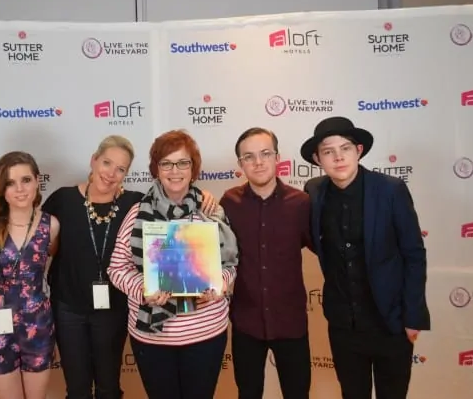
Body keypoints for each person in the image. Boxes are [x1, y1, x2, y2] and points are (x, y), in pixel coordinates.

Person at [42, 135, 218, 399]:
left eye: (121, 168)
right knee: (77, 389)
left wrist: (203, 194)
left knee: (109, 387)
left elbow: (222, 258)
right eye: (106, 163)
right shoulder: (63, 199)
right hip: (70, 306)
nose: (111, 173)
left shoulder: (135, 204)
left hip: (114, 309)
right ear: (93, 160)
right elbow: (43, 244)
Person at [301, 116, 430, 399]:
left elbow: (414, 254)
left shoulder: (390, 190)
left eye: (345, 148)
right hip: (344, 325)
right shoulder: (313, 191)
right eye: (328, 151)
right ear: (317, 158)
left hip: (391, 322)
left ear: (358, 150)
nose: (338, 157)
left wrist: (413, 315)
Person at [108, 129, 238, 399]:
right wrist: (144, 288)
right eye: (166, 163)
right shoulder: (137, 213)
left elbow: (230, 264)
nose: (174, 170)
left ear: (193, 168)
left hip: (206, 334)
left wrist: (219, 285)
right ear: (156, 169)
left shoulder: (210, 210)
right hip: (154, 339)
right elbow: (117, 268)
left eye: (183, 162)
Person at [220, 127, 312, 399]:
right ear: (240, 164)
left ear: (277, 157)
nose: (258, 162)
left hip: (291, 323)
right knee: (247, 394)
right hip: (246, 323)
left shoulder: (301, 203)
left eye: (265, 154)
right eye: (249, 157)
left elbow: (328, 251)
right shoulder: (229, 202)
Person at [0, 151, 60, 399]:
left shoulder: (50, 225)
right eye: (10, 183)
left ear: (37, 180)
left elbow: (54, 256)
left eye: (26, 180)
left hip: (37, 323)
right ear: (1, 188)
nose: (20, 189)